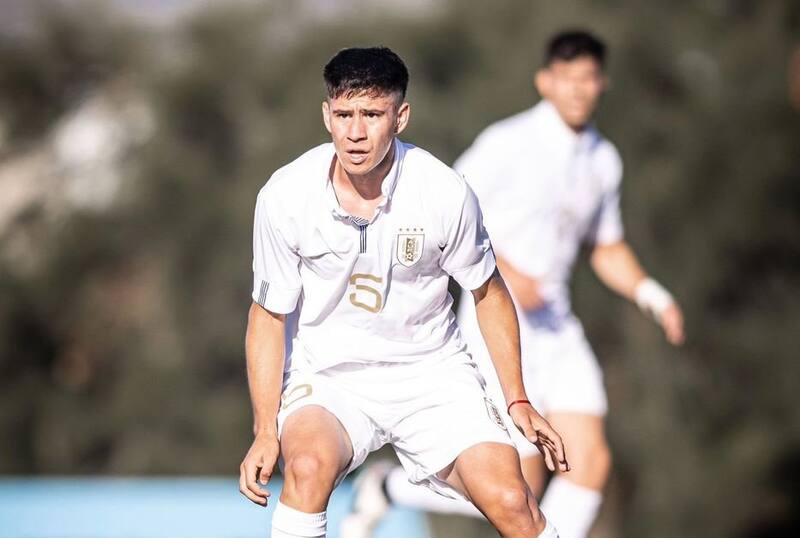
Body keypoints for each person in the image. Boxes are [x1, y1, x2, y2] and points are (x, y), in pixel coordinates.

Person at [342, 31, 685, 538]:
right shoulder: (509, 142)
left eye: (587, 79)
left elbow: (607, 247)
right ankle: (389, 487)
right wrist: (507, 269)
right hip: (495, 319)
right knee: (515, 487)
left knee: (588, 461)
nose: (576, 90)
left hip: (557, 325)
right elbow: (442, 209)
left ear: (601, 85)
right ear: (545, 82)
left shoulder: (602, 160)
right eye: (566, 79)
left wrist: (652, 295)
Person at [238, 46, 569, 538]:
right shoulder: (285, 196)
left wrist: (517, 399)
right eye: (344, 114)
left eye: (372, 114)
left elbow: (489, 292)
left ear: (401, 116)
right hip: (329, 376)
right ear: (326, 116)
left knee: (512, 500)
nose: (355, 132)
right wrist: (266, 429)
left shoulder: (444, 192)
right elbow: (267, 316)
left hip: (431, 373)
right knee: (306, 468)